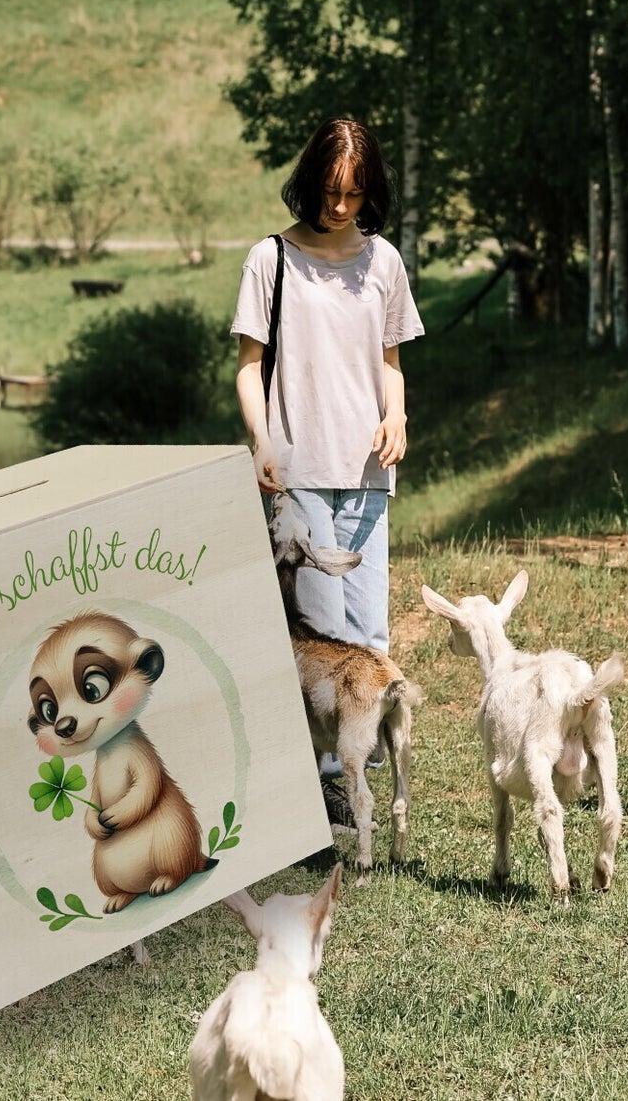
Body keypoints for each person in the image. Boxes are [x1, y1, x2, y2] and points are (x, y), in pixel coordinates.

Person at [231, 117, 424, 827]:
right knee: (320, 635)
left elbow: (388, 362)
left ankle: (351, 768)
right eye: (329, 191)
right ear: (309, 180)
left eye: (353, 194)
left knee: (369, 634)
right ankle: (318, 789)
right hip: (299, 474)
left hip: (368, 473)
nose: (339, 206)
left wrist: (396, 416)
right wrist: (261, 442)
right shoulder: (270, 260)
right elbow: (250, 367)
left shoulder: (384, 263)